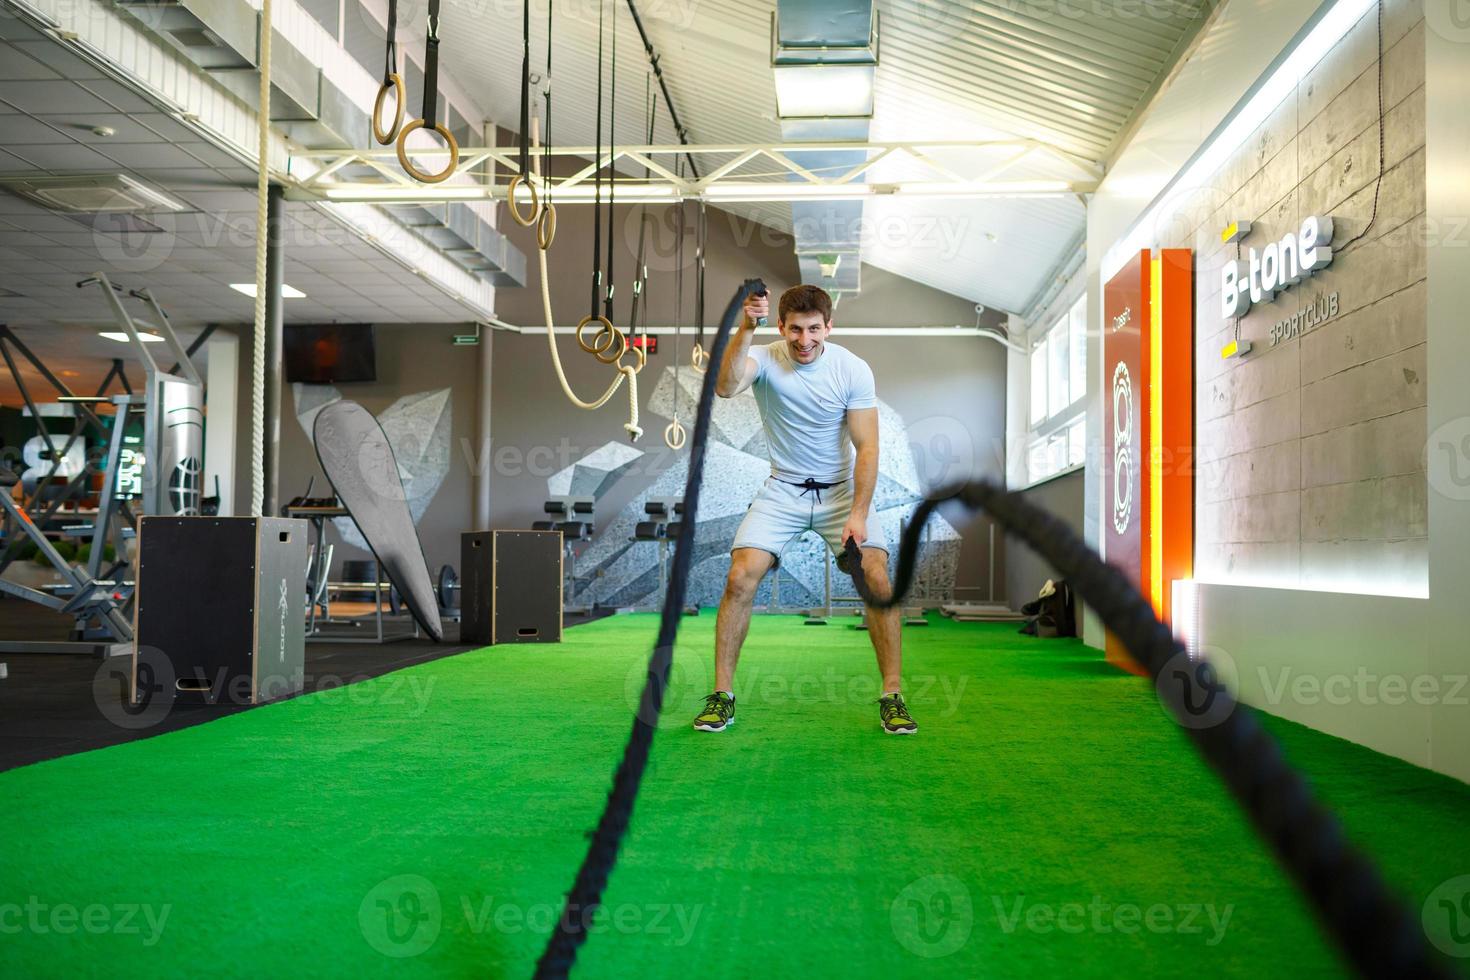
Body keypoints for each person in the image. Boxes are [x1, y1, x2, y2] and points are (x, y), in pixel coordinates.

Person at [692, 284, 916, 735]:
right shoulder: (767, 357)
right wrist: (745, 327)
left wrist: (858, 513)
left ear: (828, 327)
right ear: (781, 326)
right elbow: (725, 384)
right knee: (739, 576)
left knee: (876, 575)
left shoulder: (852, 369)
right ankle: (722, 696)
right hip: (784, 491)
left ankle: (892, 696)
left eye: (815, 329)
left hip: (841, 493)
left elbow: (868, 447)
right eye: (795, 329)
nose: (804, 339)